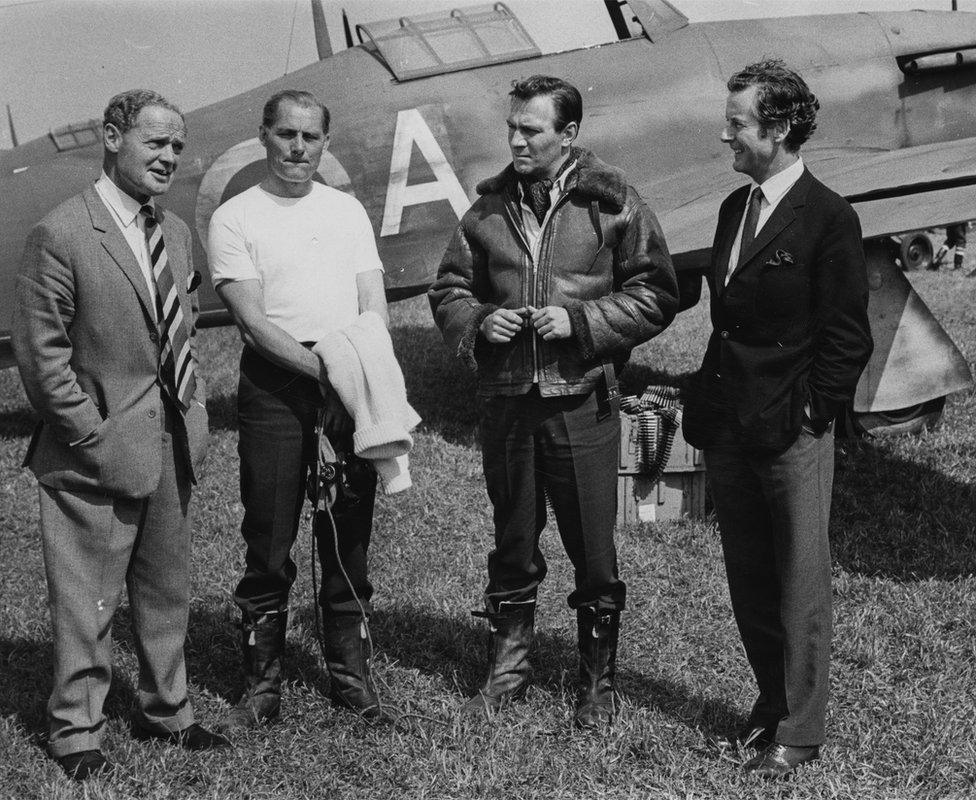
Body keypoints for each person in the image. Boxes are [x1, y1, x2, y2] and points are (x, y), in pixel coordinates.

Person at [429, 75, 678, 728]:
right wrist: (480, 321)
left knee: (593, 551)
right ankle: (508, 670)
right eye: (511, 126)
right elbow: (449, 286)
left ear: (568, 135)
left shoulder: (613, 199)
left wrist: (583, 324)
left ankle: (597, 684)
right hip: (507, 406)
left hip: (580, 405)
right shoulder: (487, 208)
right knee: (513, 542)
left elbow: (656, 292)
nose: (515, 138)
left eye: (530, 129)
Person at [12, 89, 227, 782]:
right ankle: (75, 730)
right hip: (93, 452)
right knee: (86, 598)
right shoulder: (63, 232)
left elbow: (181, 329)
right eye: (155, 143)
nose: (170, 157)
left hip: (170, 442)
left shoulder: (176, 232)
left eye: (177, 146)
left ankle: (171, 712)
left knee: (168, 592)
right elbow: (41, 359)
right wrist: (90, 435)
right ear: (111, 137)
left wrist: (191, 417)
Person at [682, 60, 873, 779]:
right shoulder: (736, 208)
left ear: (781, 126)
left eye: (736, 123)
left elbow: (847, 338)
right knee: (750, 576)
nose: (724, 134)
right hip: (732, 424)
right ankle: (769, 702)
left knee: (799, 582)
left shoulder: (829, 217)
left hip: (791, 430)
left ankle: (800, 729)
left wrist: (810, 414)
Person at [208, 89, 392, 731]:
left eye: (311, 138)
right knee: (270, 533)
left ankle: (350, 675)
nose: (298, 149)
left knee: (348, 531)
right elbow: (254, 326)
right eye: (286, 135)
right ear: (264, 136)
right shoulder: (235, 217)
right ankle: (262, 686)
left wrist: (358, 376)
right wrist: (330, 374)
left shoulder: (346, 212)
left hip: (348, 379)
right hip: (277, 386)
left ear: (325, 143)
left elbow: (375, 303)